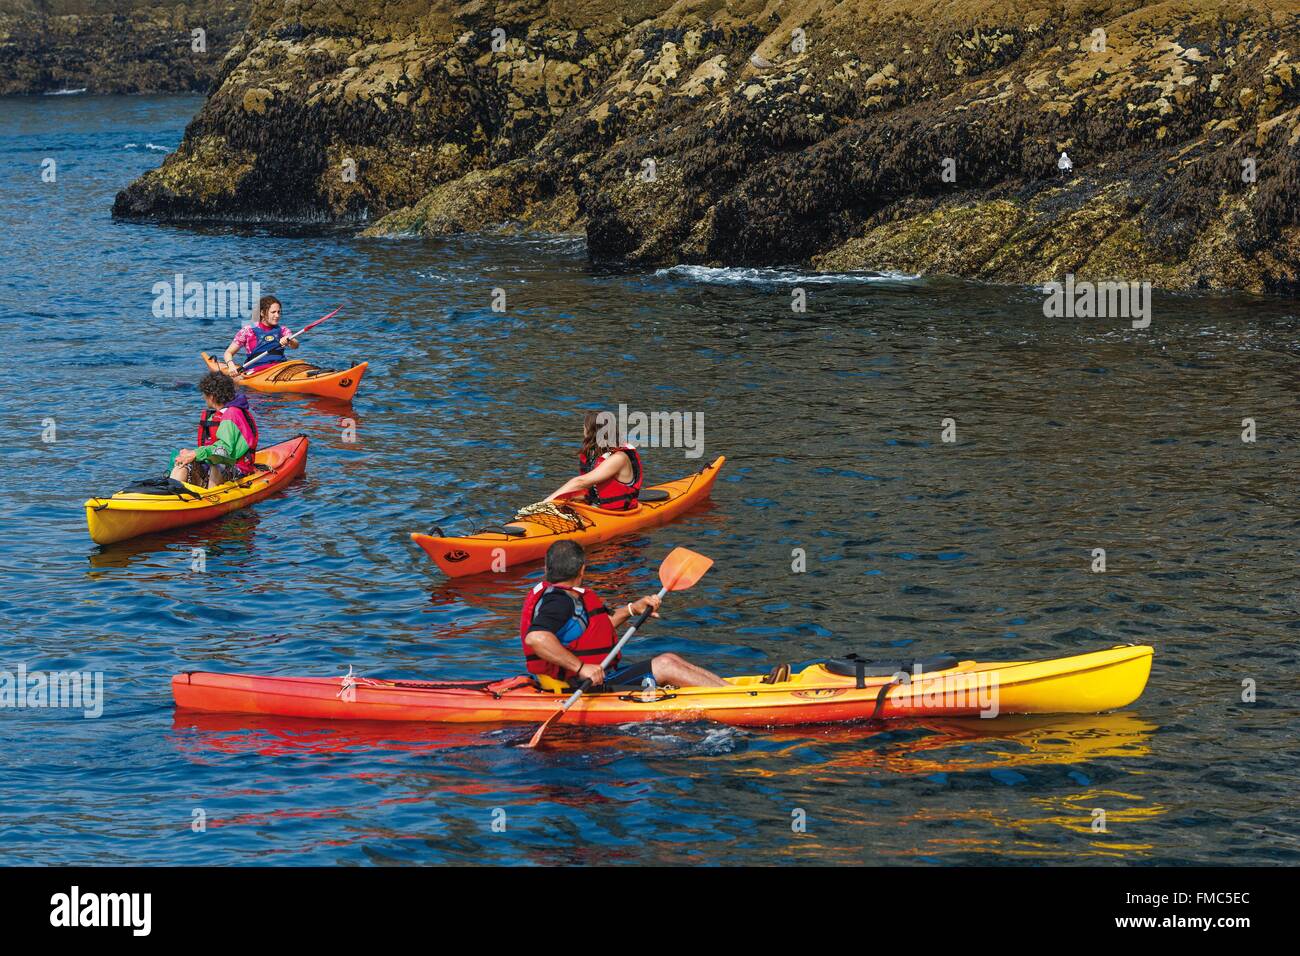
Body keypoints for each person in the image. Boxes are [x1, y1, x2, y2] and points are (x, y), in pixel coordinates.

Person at [521, 541, 729, 689]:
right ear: (582, 570)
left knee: (670, 658)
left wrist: (632, 609)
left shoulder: (566, 596)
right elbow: (536, 637)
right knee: (666, 665)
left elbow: (597, 630)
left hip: (590, 678)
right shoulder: (558, 602)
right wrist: (581, 667)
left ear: (547, 567)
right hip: (578, 686)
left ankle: (731, 691)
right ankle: (739, 700)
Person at [170, 371, 259, 488]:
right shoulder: (220, 414)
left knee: (216, 466)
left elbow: (223, 451)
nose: (203, 397)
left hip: (238, 470)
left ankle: (209, 500)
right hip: (217, 463)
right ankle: (171, 494)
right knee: (182, 463)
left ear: (211, 396)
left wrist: (196, 453)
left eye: (204, 394)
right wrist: (190, 455)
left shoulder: (232, 415)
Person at [544, 411, 643, 510]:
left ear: (591, 431)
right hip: (597, 507)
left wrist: (545, 503)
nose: (583, 430)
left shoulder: (619, 458)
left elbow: (580, 482)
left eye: (584, 427)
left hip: (618, 513)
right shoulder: (594, 455)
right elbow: (591, 489)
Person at [220, 295, 298, 375]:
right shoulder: (248, 331)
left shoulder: (283, 330)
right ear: (262, 313)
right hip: (257, 371)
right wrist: (231, 365)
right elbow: (228, 353)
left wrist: (289, 339)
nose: (277, 315)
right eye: (273, 312)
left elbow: (295, 345)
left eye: (278, 312)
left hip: (280, 368)